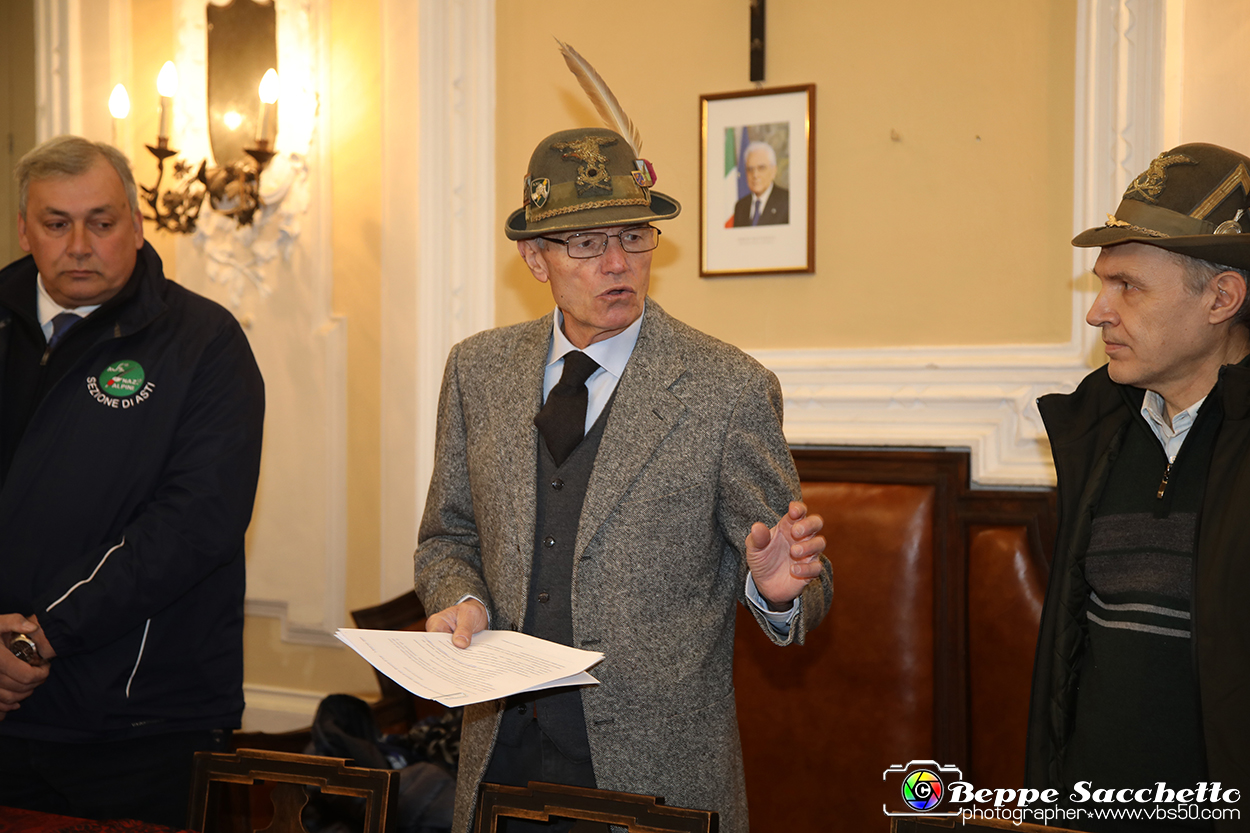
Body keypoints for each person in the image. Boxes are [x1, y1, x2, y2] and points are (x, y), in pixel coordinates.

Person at [414, 125, 832, 833]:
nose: (617, 263)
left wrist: (777, 591)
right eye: (586, 242)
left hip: (654, 789)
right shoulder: (476, 371)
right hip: (499, 775)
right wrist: (460, 598)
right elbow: (447, 534)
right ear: (534, 256)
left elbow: (804, 582)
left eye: (634, 237)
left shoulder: (726, 389)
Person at [0, 136, 264, 825]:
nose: (79, 243)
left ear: (138, 224)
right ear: (24, 229)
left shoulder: (203, 342)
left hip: (142, 725)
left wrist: (40, 635)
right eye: (56, 223)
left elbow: (194, 522)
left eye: (103, 221)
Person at [1025, 143, 1250, 830]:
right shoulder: (1095, 431)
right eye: (1102, 283)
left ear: (1222, 297)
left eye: (1129, 285)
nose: (1099, 311)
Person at [732, 140, 789, 227]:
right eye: (750, 169)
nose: (755, 175)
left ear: (773, 171)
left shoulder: (787, 201)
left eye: (761, 168)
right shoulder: (740, 206)